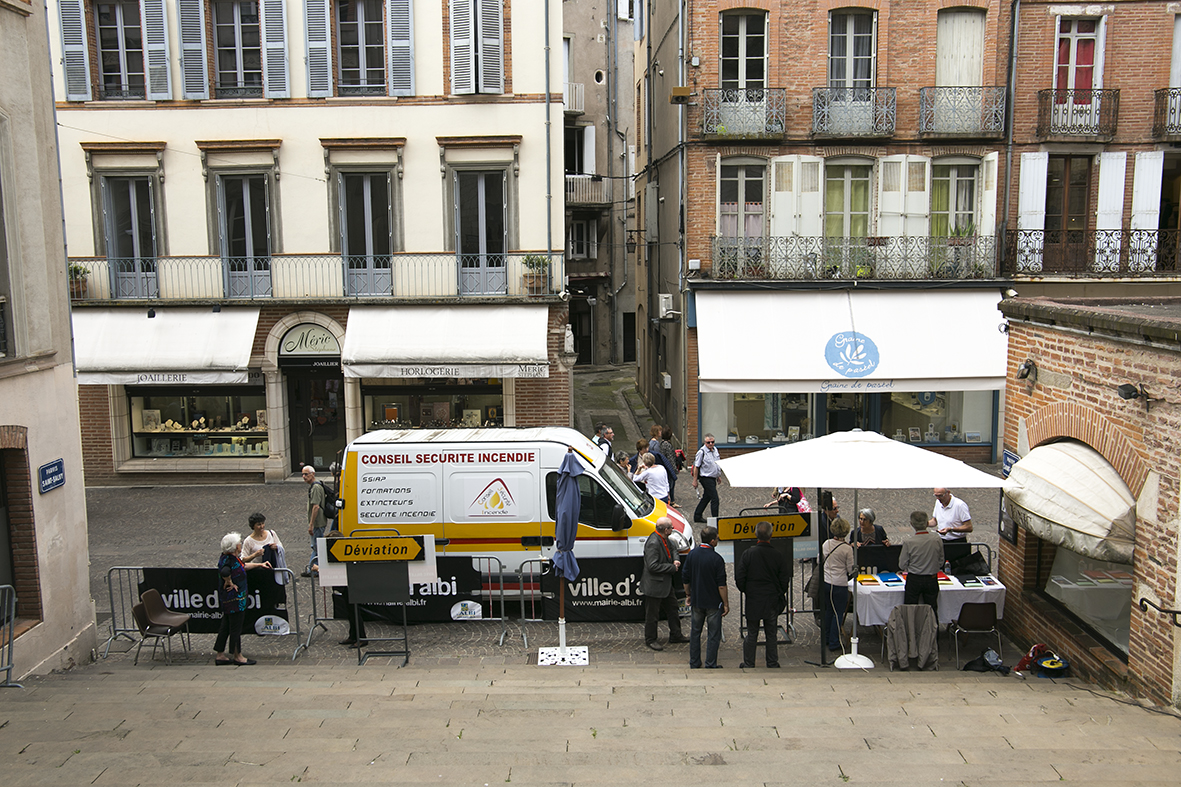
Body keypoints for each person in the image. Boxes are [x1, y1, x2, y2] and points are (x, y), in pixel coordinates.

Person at [735, 521, 791, 669]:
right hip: (771, 599)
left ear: (755, 535)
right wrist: (779, 592)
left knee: (752, 632)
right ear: (771, 535)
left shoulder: (748, 554)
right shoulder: (777, 555)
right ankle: (772, 662)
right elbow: (784, 578)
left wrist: (747, 590)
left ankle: (749, 662)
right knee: (771, 633)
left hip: (754, 599)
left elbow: (740, 577)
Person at [213, 531, 270, 666]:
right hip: (235, 601)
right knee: (235, 628)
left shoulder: (229, 558)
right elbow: (225, 571)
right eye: (239, 544)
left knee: (226, 626)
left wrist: (258, 565)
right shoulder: (229, 560)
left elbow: (242, 567)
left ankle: (220, 653)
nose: (240, 545)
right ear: (235, 547)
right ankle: (237, 655)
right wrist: (229, 582)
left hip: (229, 601)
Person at [681, 525, 728, 669]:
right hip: (713, 602)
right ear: (712, 541)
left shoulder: (692, 555)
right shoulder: (717, 559)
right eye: (717, 538)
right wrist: (725, 603)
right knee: (713, 634)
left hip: (697, 600)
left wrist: (688, 594)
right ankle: (710, 662)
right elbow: (721, 585)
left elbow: (685, 577)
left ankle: (694, 662)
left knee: (695, 632)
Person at [640, 517, 686, 650]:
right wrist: (672, 567)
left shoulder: (664, 538)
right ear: (666, 530)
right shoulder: (653, 543)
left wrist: (676, 560)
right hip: (655, 586)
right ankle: (650, 639)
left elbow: (673, 550)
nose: (673, 529)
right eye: (671, 527)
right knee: (652, 615)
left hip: (665, 584)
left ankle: (676, 634)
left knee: (673, 609)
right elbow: (652, 566)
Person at [899, 510, 945, 616]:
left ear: (911, 524)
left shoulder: (909, 542)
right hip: (931, 578)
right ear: (927, 523)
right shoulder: (936, 539)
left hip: (914, 578)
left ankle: (910, 630)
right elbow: (941, 560)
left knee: (910, 610)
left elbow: (902, 564)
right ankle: (932, 631)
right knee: (932, 610)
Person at [821, 516, 855, 654]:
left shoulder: (826, 544)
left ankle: (827, 637)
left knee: (829, 610)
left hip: (827, 581)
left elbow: (820, 559)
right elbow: (850, 569)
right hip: (840, 583)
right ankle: (835, 641)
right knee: (838, 613)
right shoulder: (847, 549)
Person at [241, 512, 287, 613]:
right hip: (258, 572)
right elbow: (243, 559)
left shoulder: (271, 534)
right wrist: (255, 555)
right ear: (253, 526)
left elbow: (281, 547)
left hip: (272, 570)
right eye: (258, 524)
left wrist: (276, 547)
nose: (261, 526)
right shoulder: (248, 541)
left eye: (262, 523)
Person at [302, 465, 327, 577]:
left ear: (313, 474)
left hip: (318, 522)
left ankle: (312, 568)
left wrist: (311, 524)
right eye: (303, 474)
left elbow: (316, 506)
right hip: (318, 522)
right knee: (316, 546)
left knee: (316, 546)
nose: (304, 476)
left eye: (306, 474)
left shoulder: (316, 487)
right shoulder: (314, 486)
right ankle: (312, 567)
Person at [691, 434, 722, 524]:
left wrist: (718, 476)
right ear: (705, 443)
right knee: (715, 498)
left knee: (707, 497)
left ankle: (697, 515)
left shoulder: (715, 450)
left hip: (712, 477)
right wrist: (695, 480)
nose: (711, 444)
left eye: (712, 442)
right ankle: (715, 520)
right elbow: (696, 467)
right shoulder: (701, 452)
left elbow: (716, 464)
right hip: (705, 478)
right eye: (708, 442)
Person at [660, 426, 679, 506]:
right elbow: (670, 458)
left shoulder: (661, 444)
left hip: (665, 468)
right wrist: (674, 470)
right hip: (668, 469)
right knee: (670, 485)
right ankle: (671, 501)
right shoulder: (667, 445)